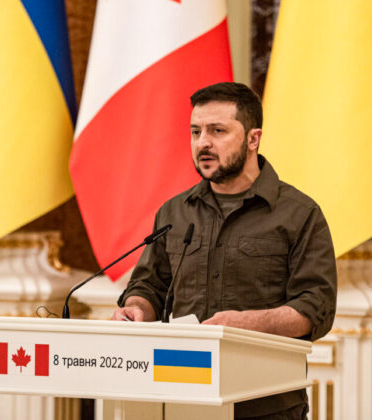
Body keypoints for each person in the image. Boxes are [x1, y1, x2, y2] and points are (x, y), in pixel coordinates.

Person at [112, 82, 337, 420]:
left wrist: (245, 324)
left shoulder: (299, 214)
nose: (203, 142)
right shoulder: (174, 212)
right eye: (196, 131)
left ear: (252, 139)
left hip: (266, 403)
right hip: (181, 395)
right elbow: (149, 287)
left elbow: (315, 308)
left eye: (217, 131)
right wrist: (136, 309)